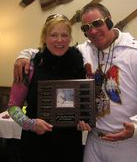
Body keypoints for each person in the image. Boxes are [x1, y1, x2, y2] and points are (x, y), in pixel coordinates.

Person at [13, 3, 137, 162]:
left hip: (125, 143)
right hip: (92, 140)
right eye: (86, 28)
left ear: (109, 20)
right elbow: (53, 50)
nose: (93, 31)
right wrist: (24, 55)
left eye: (97, 23)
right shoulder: (84, 51)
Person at [8, 14, 86, 162]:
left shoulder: (79, 66)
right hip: (36, 145)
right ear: (44, 37)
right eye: (53, 35)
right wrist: (30, 124)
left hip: (69, 145)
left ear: (70, 38)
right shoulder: (28, 67)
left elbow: (82, 105)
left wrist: (84, 119)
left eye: (64, 35)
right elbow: (13, 107)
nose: (59, 40)